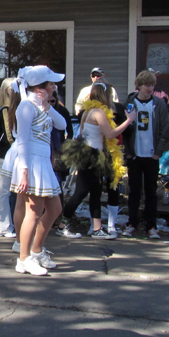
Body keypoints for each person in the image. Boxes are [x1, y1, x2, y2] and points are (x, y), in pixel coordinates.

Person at [10, 66, 67, 275]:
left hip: (43, 163)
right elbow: (22, 140)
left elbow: (61, 125)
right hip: (31, 163)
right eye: (51, 83)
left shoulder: (42, 106)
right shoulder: (26, 107)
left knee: (55, 209)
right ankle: (23, 258)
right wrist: (24, 171)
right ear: (41, 86)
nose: (55, 86)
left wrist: (46, 104)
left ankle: (36, 250)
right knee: (33, 212)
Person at [62, 83, 134, 240]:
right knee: (80, 192)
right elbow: (110, 134)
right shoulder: (99, 112)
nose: (112, 98)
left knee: (95, 192)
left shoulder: (88, 110)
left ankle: (96, 228)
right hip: (91, 156)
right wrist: (128, 121)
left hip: (90, 154)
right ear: (105, 95)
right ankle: (61, 222)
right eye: (110, 94)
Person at [122, 70, 169, 239]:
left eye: (152, 85)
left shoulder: (159, 104)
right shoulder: (129, 102)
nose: (150, 88)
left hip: (151, 155)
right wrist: (127, 153)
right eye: (147, 85)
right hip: (135, 155)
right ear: (139, 86)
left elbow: (164, 130)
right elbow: (124, 130)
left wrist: (158, 152)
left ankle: (151, 225)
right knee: (134, 190)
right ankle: (132, 223)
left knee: (151, 191)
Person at [0, 78, 18, 238]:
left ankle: (7, 224)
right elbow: (9, 135)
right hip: (5, 155)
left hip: (10, 154)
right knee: (4, 191)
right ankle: (2, 225)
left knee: (8, 191)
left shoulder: (12, 108)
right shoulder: (5, 110)